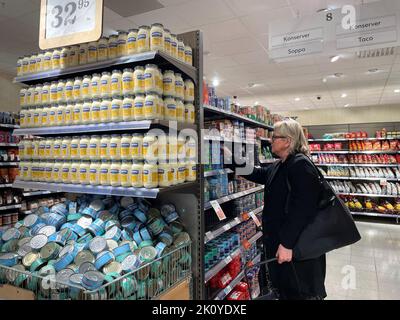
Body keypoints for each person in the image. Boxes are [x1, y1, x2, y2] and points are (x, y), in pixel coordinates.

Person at [227, 118, 326, 300]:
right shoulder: (282, 164)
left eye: (274, 137)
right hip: (282, 244)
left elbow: (303, 210)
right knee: (284, 290)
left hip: (295, 249)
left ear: (288, 141)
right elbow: (258, 173)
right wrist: (229, 158)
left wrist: (287, 244)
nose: (271, 140)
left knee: (297, 292)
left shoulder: (300, 166)